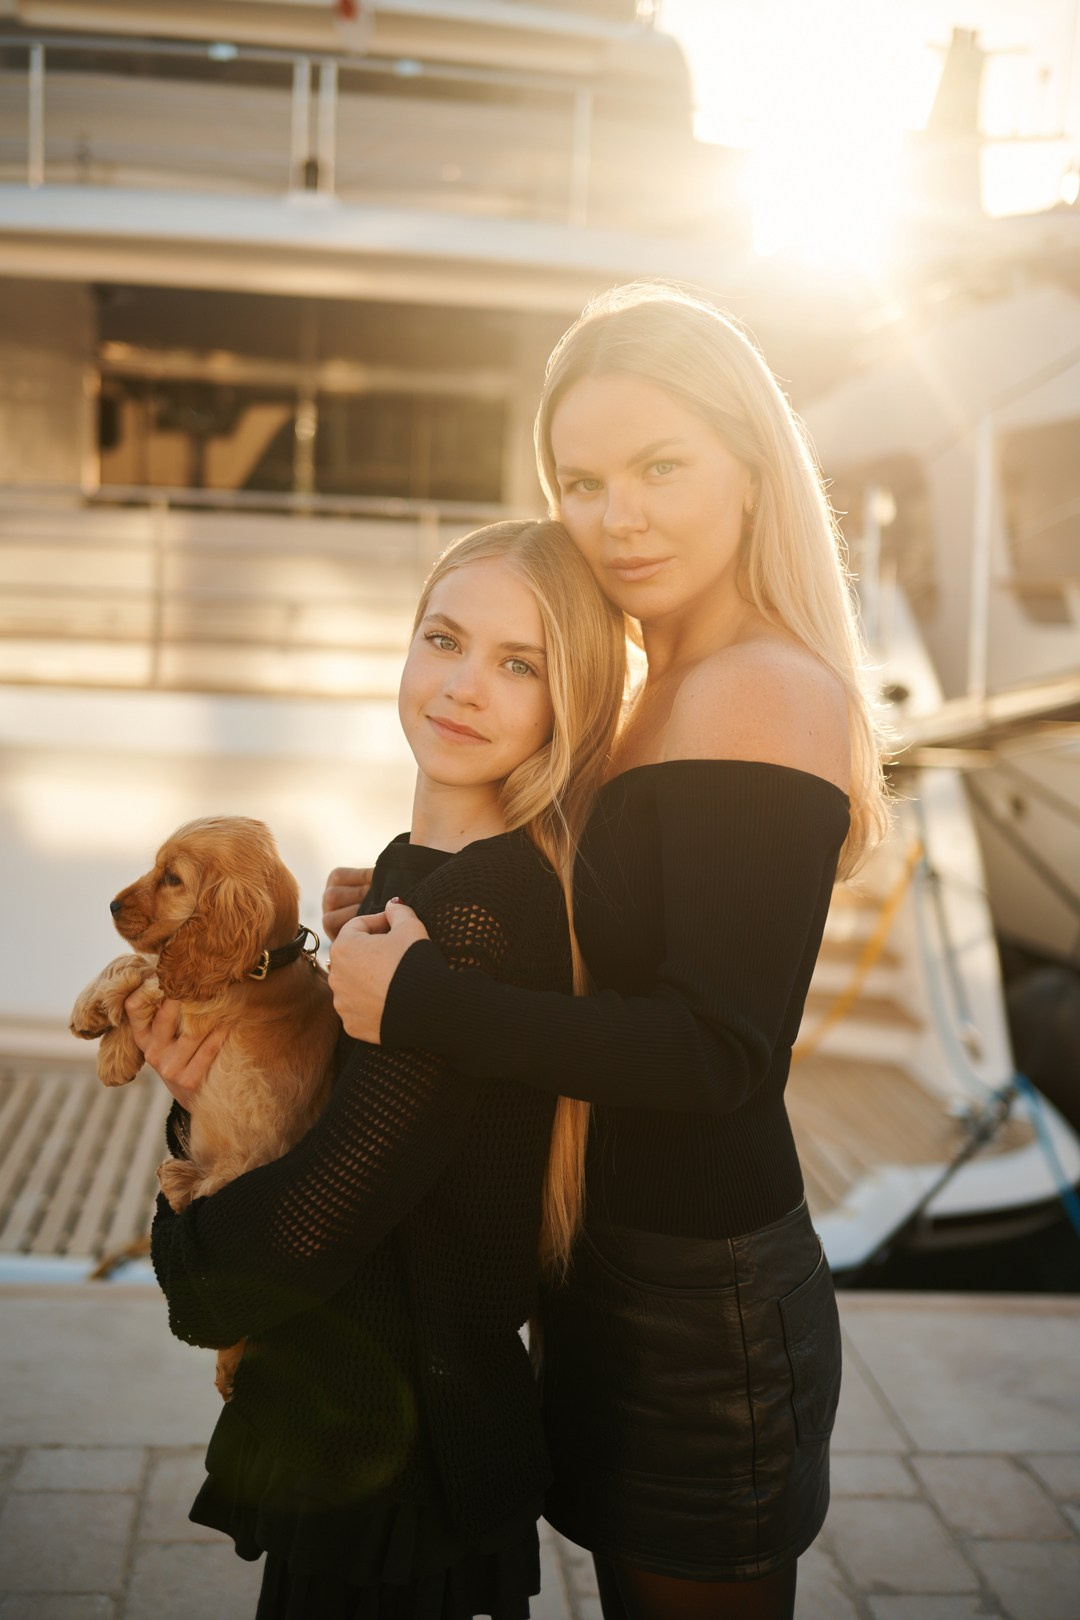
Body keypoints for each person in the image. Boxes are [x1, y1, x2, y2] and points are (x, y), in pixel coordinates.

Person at [321, 283, 890, 1620]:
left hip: (702, 1303)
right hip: (613, 1269)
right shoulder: (657, 684)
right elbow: (592, 950)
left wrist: (421, 1003)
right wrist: (412, 895)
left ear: (753, 471)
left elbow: (716, 1051)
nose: (615, 515)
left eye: (660, 467)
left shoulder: (758, 688)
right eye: (581, 479)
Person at [129, 518, 627, 1620]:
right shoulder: (412, 876)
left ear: (567, 702)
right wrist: (192, 1105)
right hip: (370, 1415)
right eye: (443, 640)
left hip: (401, 1453)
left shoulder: (478, 912)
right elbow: (329, 1124)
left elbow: (304, 1229)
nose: (462, 687)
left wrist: (182, 1244)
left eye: (518, 664)